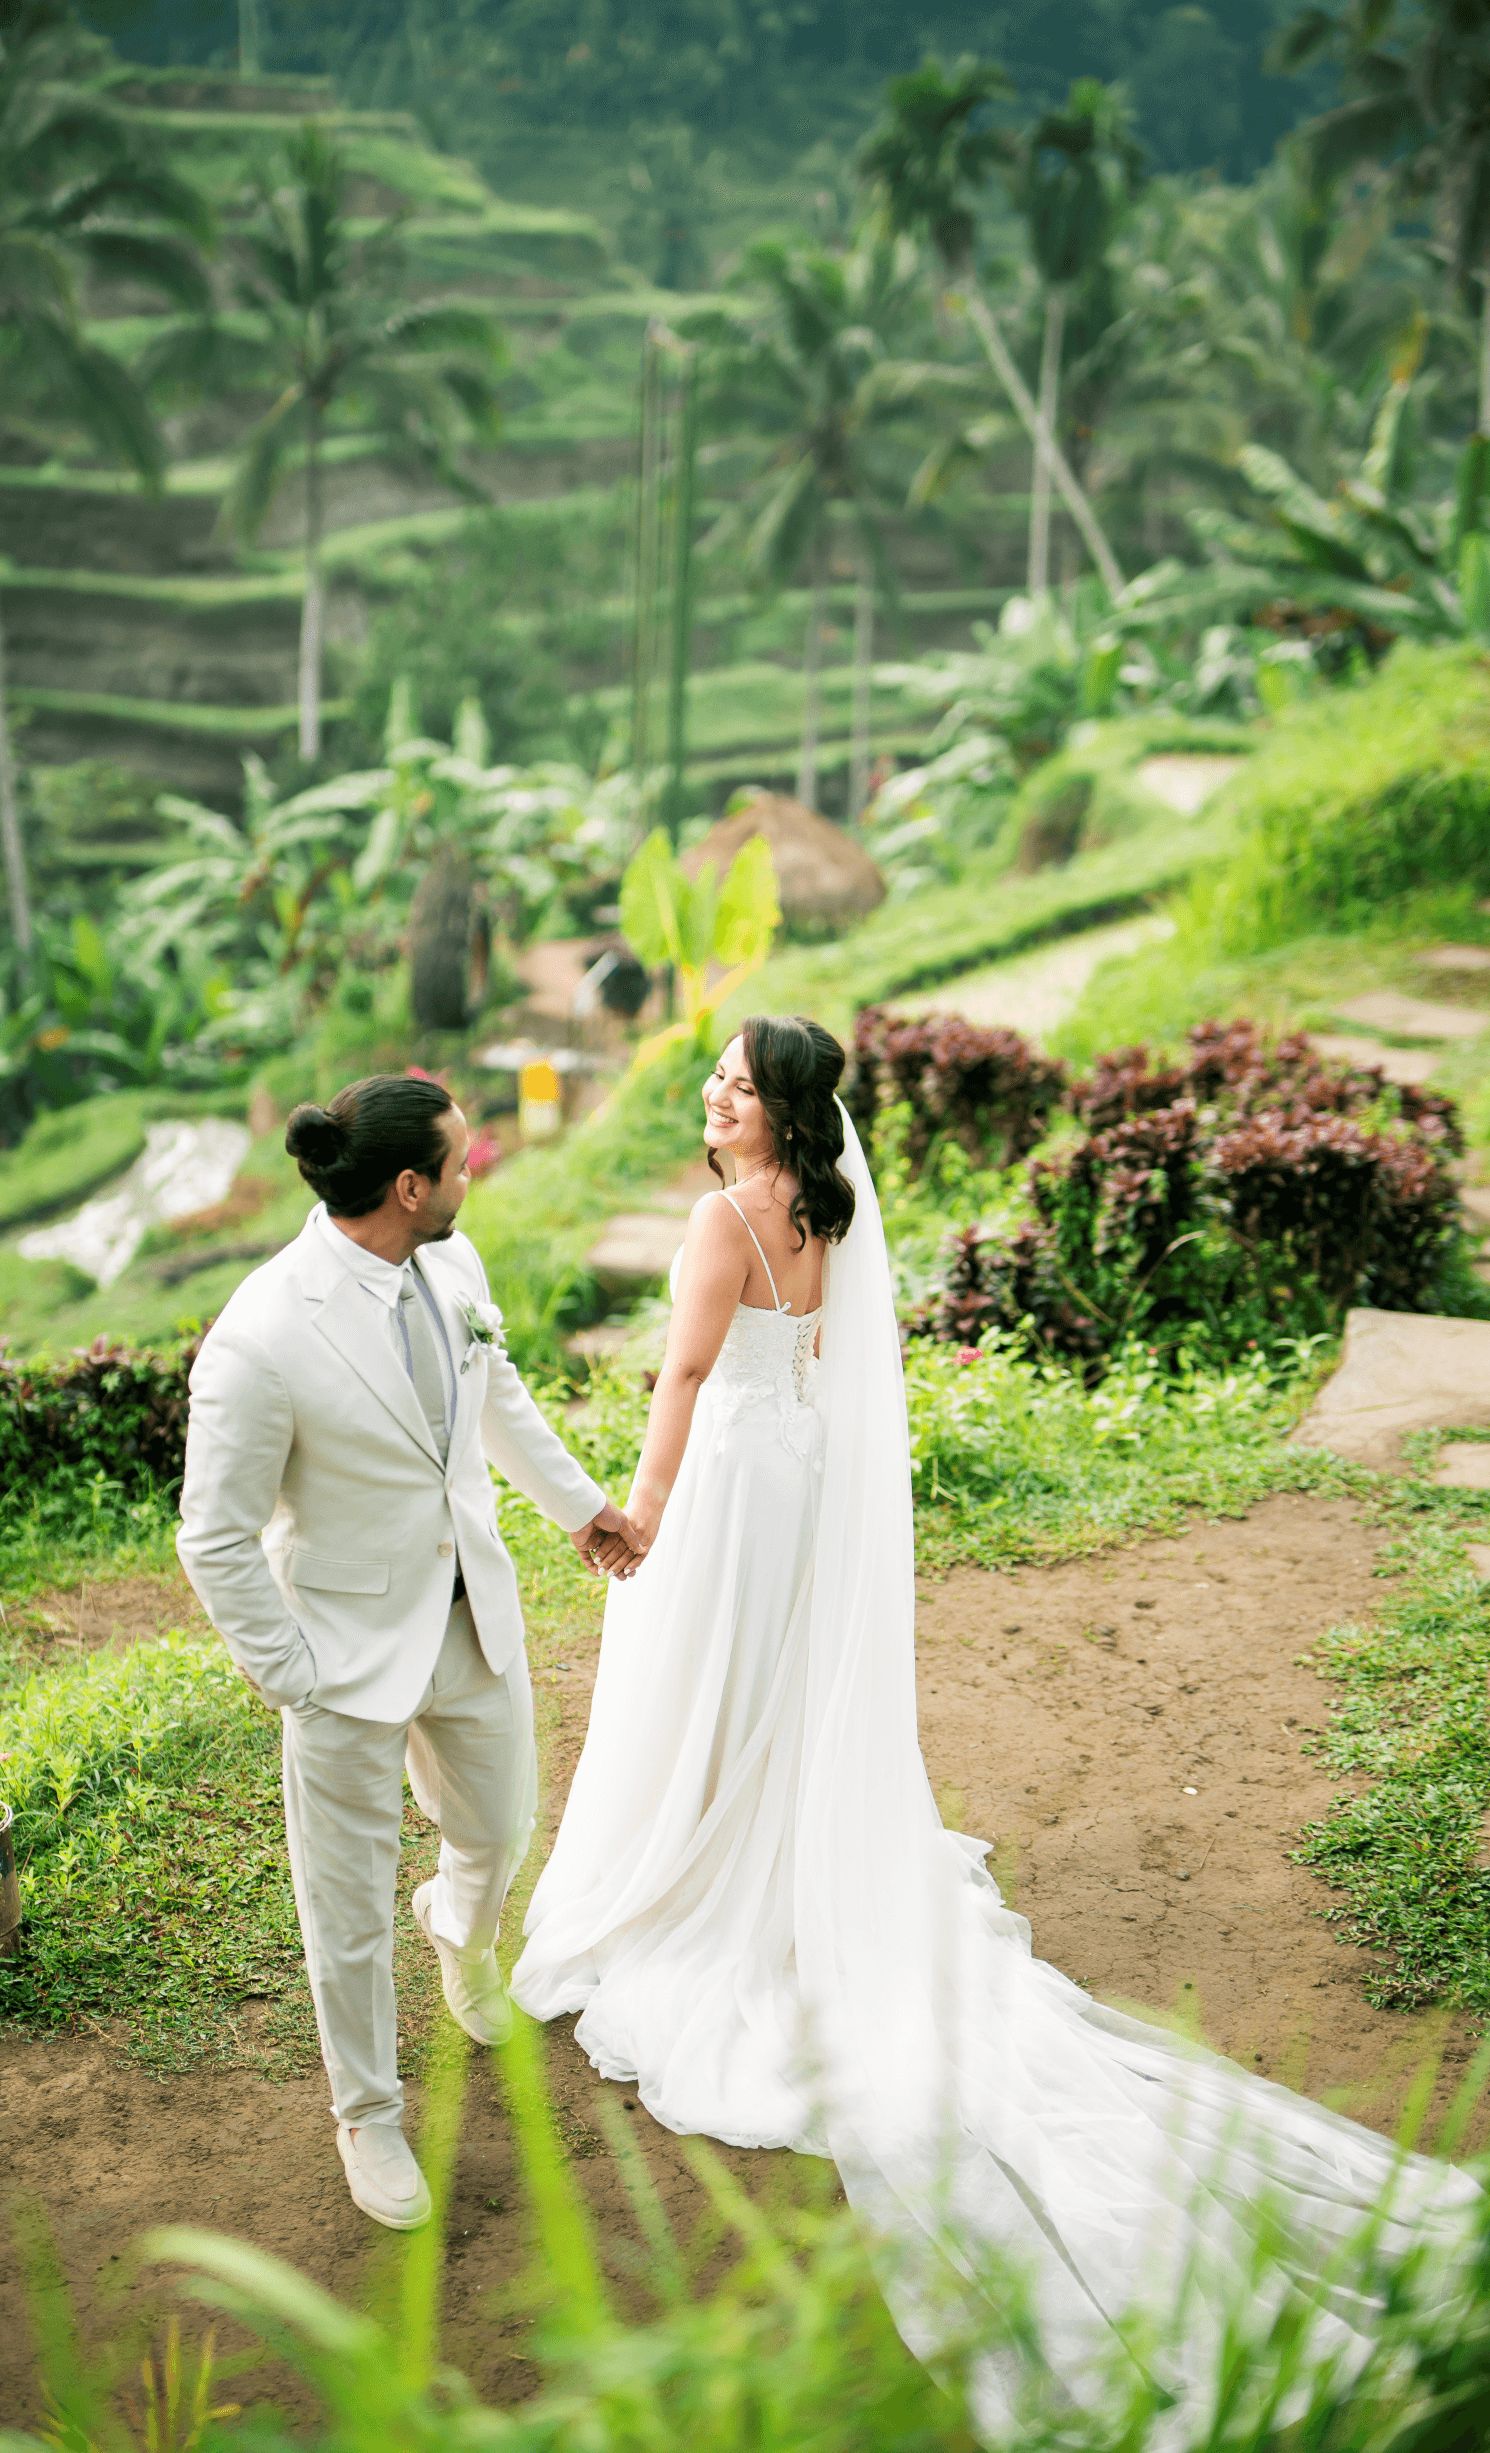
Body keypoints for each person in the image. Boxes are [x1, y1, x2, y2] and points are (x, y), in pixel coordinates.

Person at [513, 1013, 1481, 2426]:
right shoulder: (828, 1208)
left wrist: (646, 1508)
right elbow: (827, 1377)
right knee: (767, 1678)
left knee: (700, 1682)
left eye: (731, 1086)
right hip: (791, 1490)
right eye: (711, 1083)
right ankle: (754, 1838)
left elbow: (678, 1376)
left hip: (725, 1485)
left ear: (780, 1110)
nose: (710, 1102)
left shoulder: (723, 1219)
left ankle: (704, 1867)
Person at [177, 1073, 641, 2233]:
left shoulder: (455, 1267)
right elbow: (214, 1533)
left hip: (467, 1610)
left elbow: (499, 1397)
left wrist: (582, 1506)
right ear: (408, 1184)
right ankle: (367, 2112)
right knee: (344, 1907)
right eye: (463, 1158)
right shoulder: (264, 1332)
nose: (475, 1171)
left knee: (499, 1824)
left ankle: (463, 1936)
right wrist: (291, 1675)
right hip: (337, 1657)